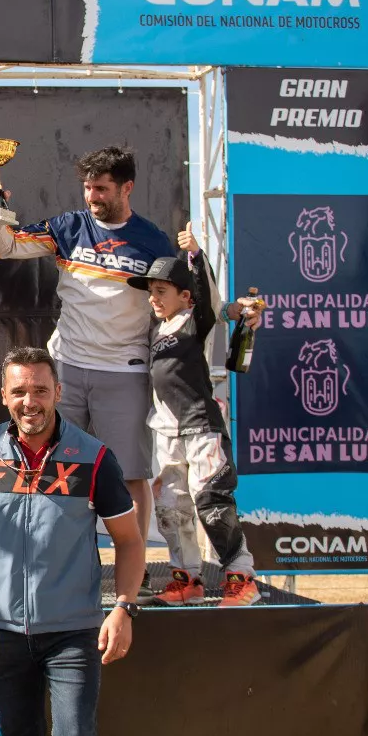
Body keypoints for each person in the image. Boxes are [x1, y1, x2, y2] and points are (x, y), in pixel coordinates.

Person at [0, 147, 174, 599]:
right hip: (65, 366)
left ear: (127, 188)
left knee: (128, 475)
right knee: (54, 468)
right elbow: (7, 246)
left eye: (102, 188)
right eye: (88, 187)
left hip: (124, 368)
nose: (92, 196)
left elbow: (179, 299)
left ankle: (135, 570)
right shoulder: (67, 227)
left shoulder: (153, 241)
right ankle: (53, 569)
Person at [0, 346, 144, 736]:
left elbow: (130, 541)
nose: (29, 401)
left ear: (58, 391)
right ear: (3, 396)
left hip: (73, 635)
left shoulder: (94, 458)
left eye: (39, 390)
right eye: (19, 391)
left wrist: (124, 607)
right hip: (3, 633)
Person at [127, 223, 263, 607]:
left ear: (184, 296)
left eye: (162, 291)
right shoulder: (155, 328)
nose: (154, 298)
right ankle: (187, 580)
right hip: (167, 431)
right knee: (171, 510)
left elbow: (209, 299)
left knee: (212, 502)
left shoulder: (194, 320)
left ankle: (242, 579)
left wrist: (196, 254)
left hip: (201, 425)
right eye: (151, 292)